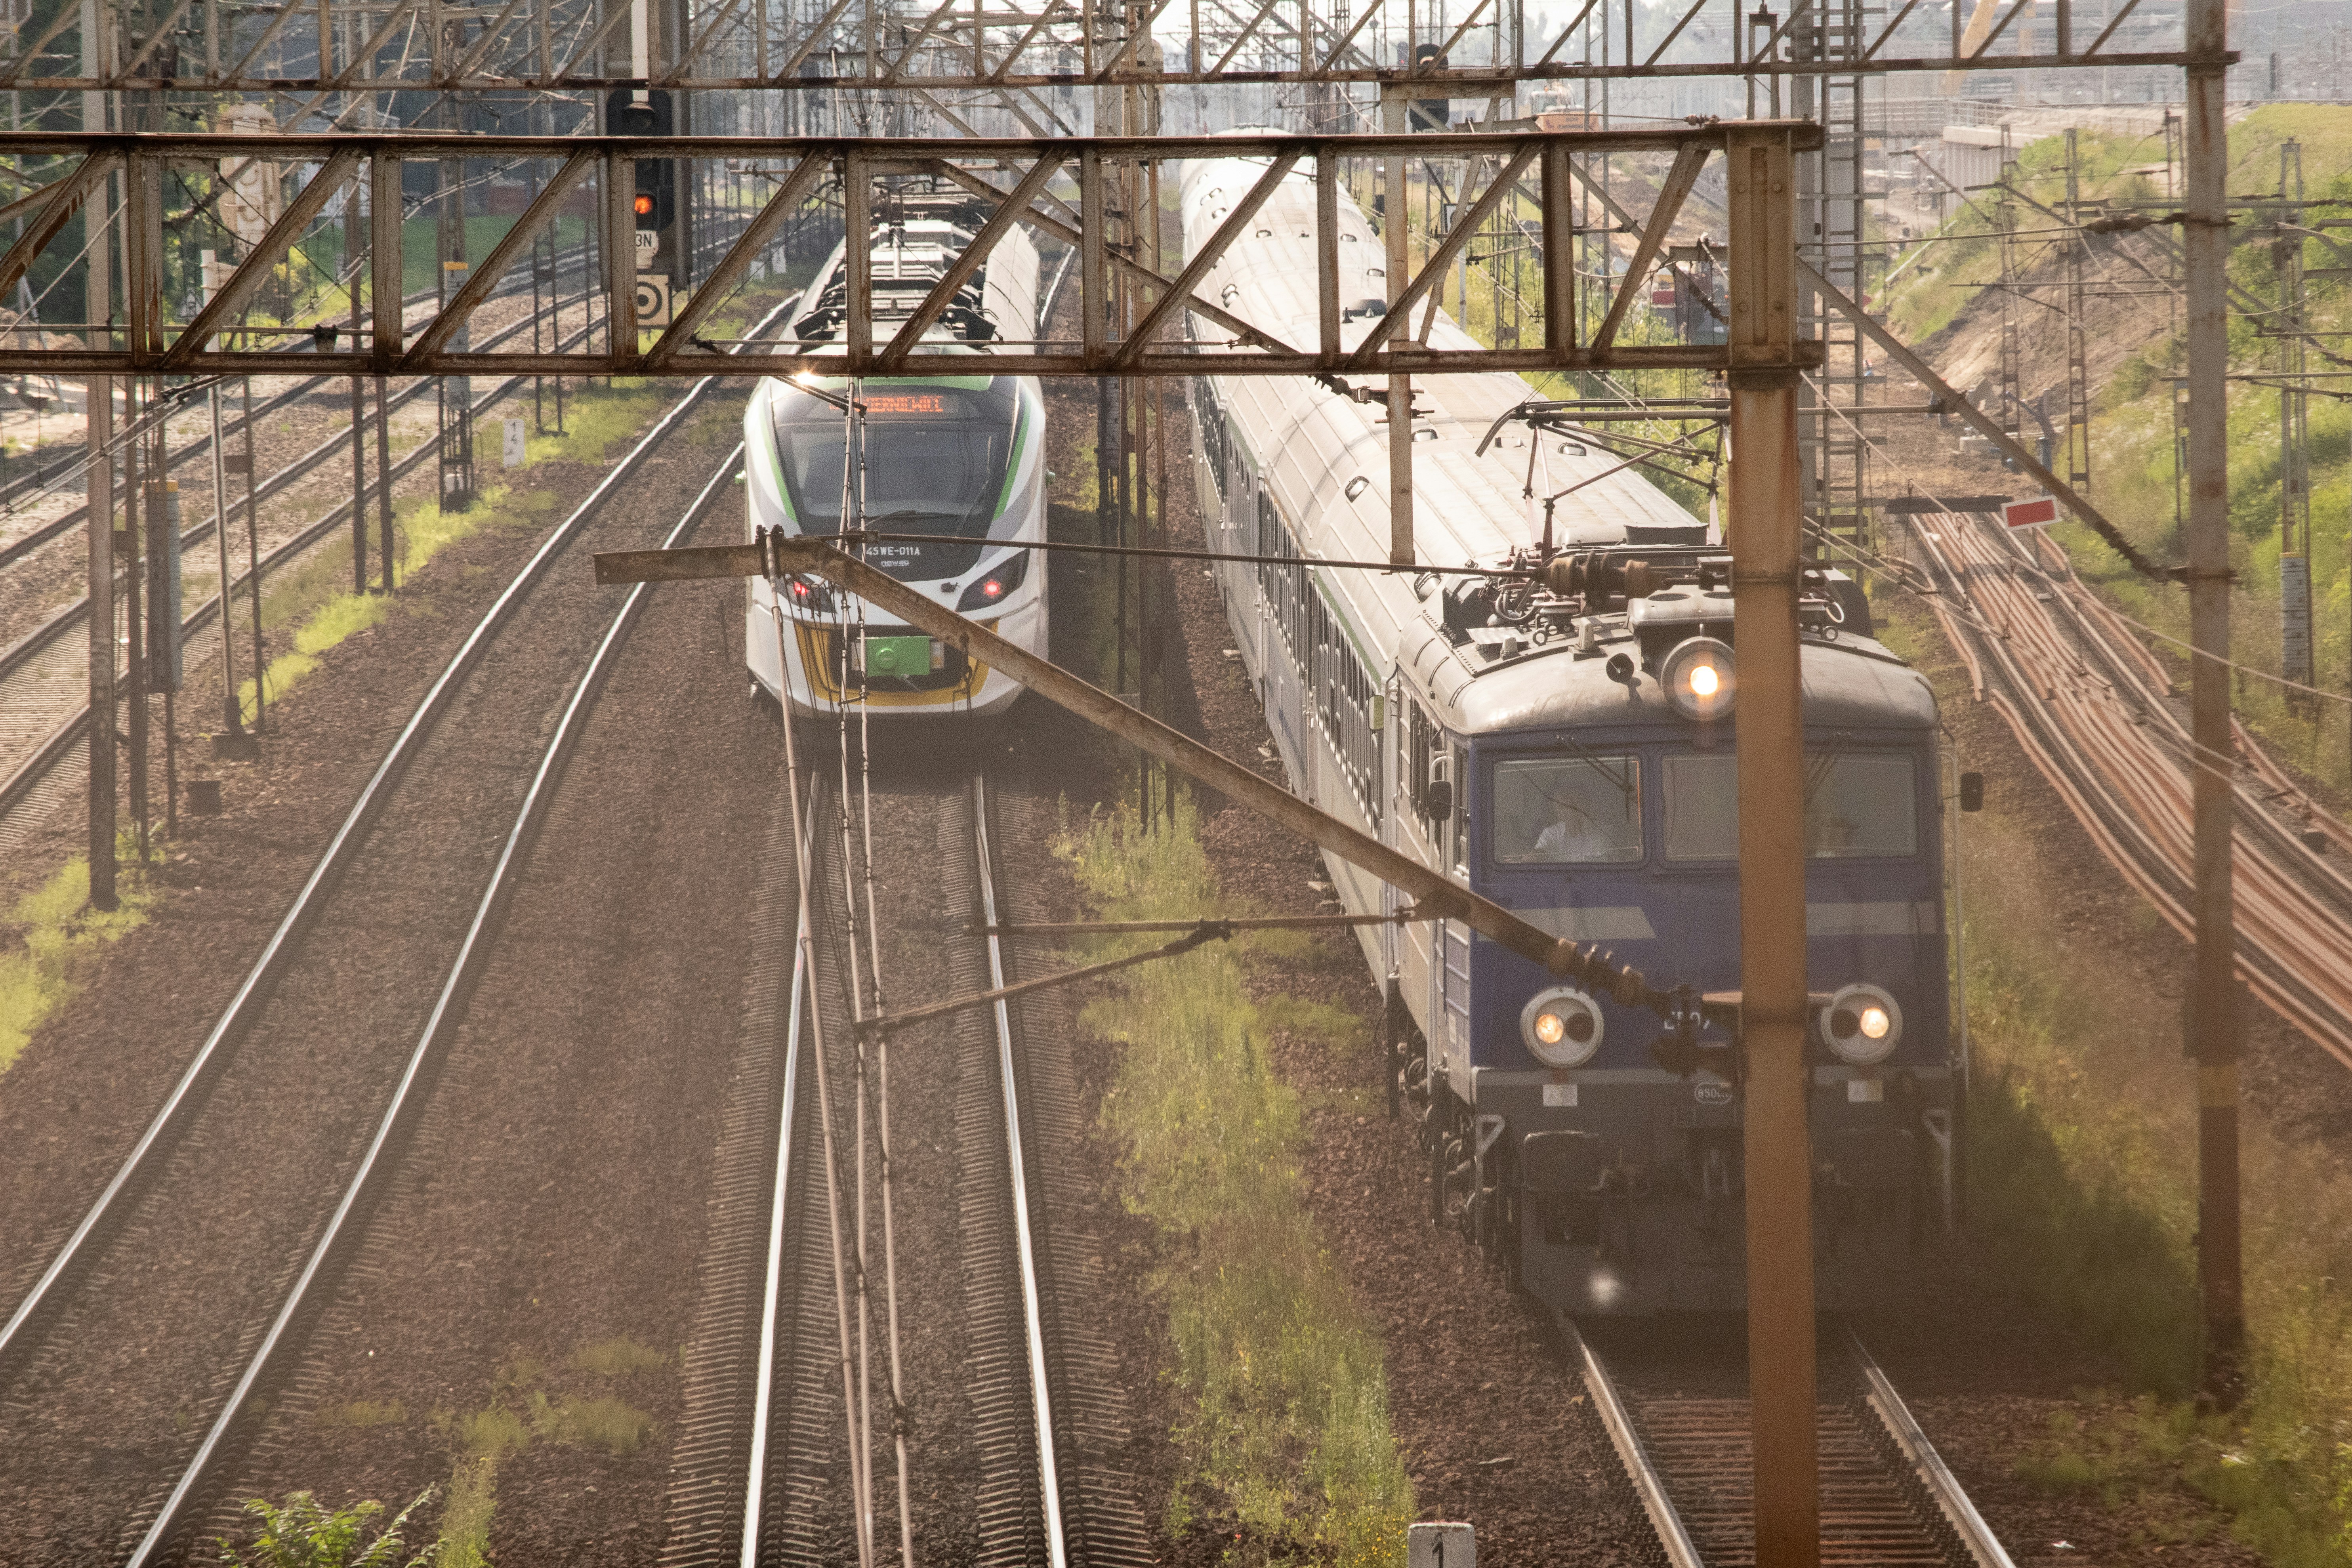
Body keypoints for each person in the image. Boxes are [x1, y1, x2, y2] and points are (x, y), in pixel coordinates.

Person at [1532, 791, 1614, 862]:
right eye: (1561, 808)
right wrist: (1534, 856)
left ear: (1581, 807)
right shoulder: (1551, 833)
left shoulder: (1603, 832)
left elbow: (1609, 862)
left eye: (1571, 806)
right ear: (1556, 812)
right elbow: (1539, 852)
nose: (1568, 811)